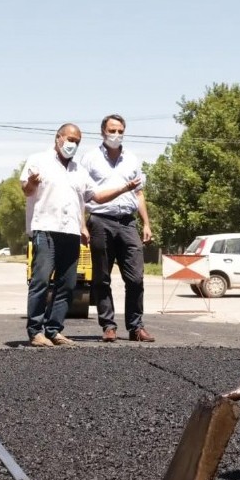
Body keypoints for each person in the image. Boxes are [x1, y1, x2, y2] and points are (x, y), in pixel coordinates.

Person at [21, 123, 141, 347]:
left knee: (66, 285)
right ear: (58, 138)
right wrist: (31, 183)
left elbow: (96, 196)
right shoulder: (38, 161)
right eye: (70, 140)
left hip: (71, 232)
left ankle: (54, 329)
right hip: (46, 229)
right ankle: (35, 331)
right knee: (40, 281)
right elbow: (26, 191)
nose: (72, 145)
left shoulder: (79, 171)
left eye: (76, 142)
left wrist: (124, 189)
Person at [80, 114, 155, 343]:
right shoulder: (89, 158)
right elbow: (81, 194)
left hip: (127, 222)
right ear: (103, 132)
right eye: (112, 130)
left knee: (135, 278)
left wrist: (146, 223)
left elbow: (139, 193)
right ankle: (109, 326)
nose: (116, 134)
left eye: (120, 130)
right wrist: (82, 224)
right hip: (100, 221)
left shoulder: (132, 159)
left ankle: (135, 326)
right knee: (102, 278)